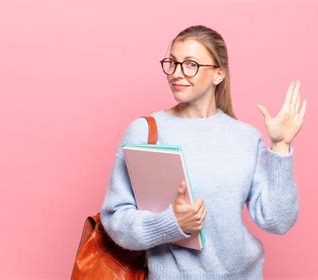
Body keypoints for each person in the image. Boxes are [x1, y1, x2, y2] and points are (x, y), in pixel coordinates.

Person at [100, 24, 307, 280]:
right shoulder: (144, 133)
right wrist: (171, 224)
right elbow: (116, 220)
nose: (176, 73)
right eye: (172, 63)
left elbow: (278, 221)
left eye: (190, 64)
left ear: (218, 74)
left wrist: (280, 147)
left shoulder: (245, 137)